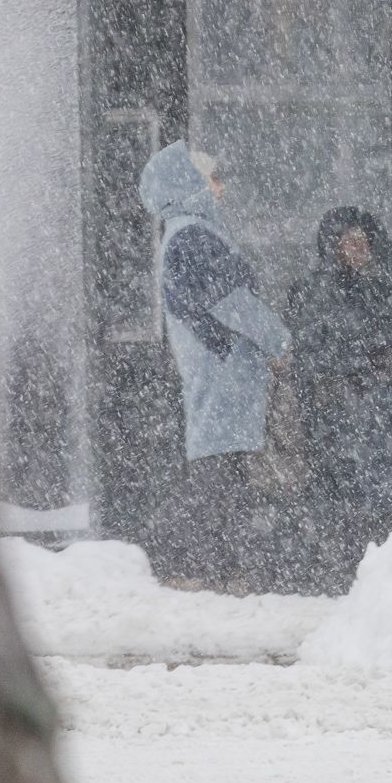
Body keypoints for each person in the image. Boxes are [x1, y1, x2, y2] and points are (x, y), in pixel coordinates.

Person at [137, 141, 290, 590]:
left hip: (221, 370)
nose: (220, 187)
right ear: (189, 185)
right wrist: (280, 339)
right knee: (218, 475)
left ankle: (213, 566)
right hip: (224, 372)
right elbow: (232, 302)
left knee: (222, 473)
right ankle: (178, 558)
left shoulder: (188, 231)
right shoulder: (193, 234)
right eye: (212, 179)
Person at [283, 207, 392, 589]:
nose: (360, 248)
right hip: (338, 418)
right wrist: (365, 361)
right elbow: (313, 354)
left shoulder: (381, 287)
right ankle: (343, 571)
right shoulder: (312, 292)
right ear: (333, 246)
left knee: (386, 495)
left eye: (364, 240)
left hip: (382, 418)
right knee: (343, 500)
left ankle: (381, 568)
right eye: (350, 241)